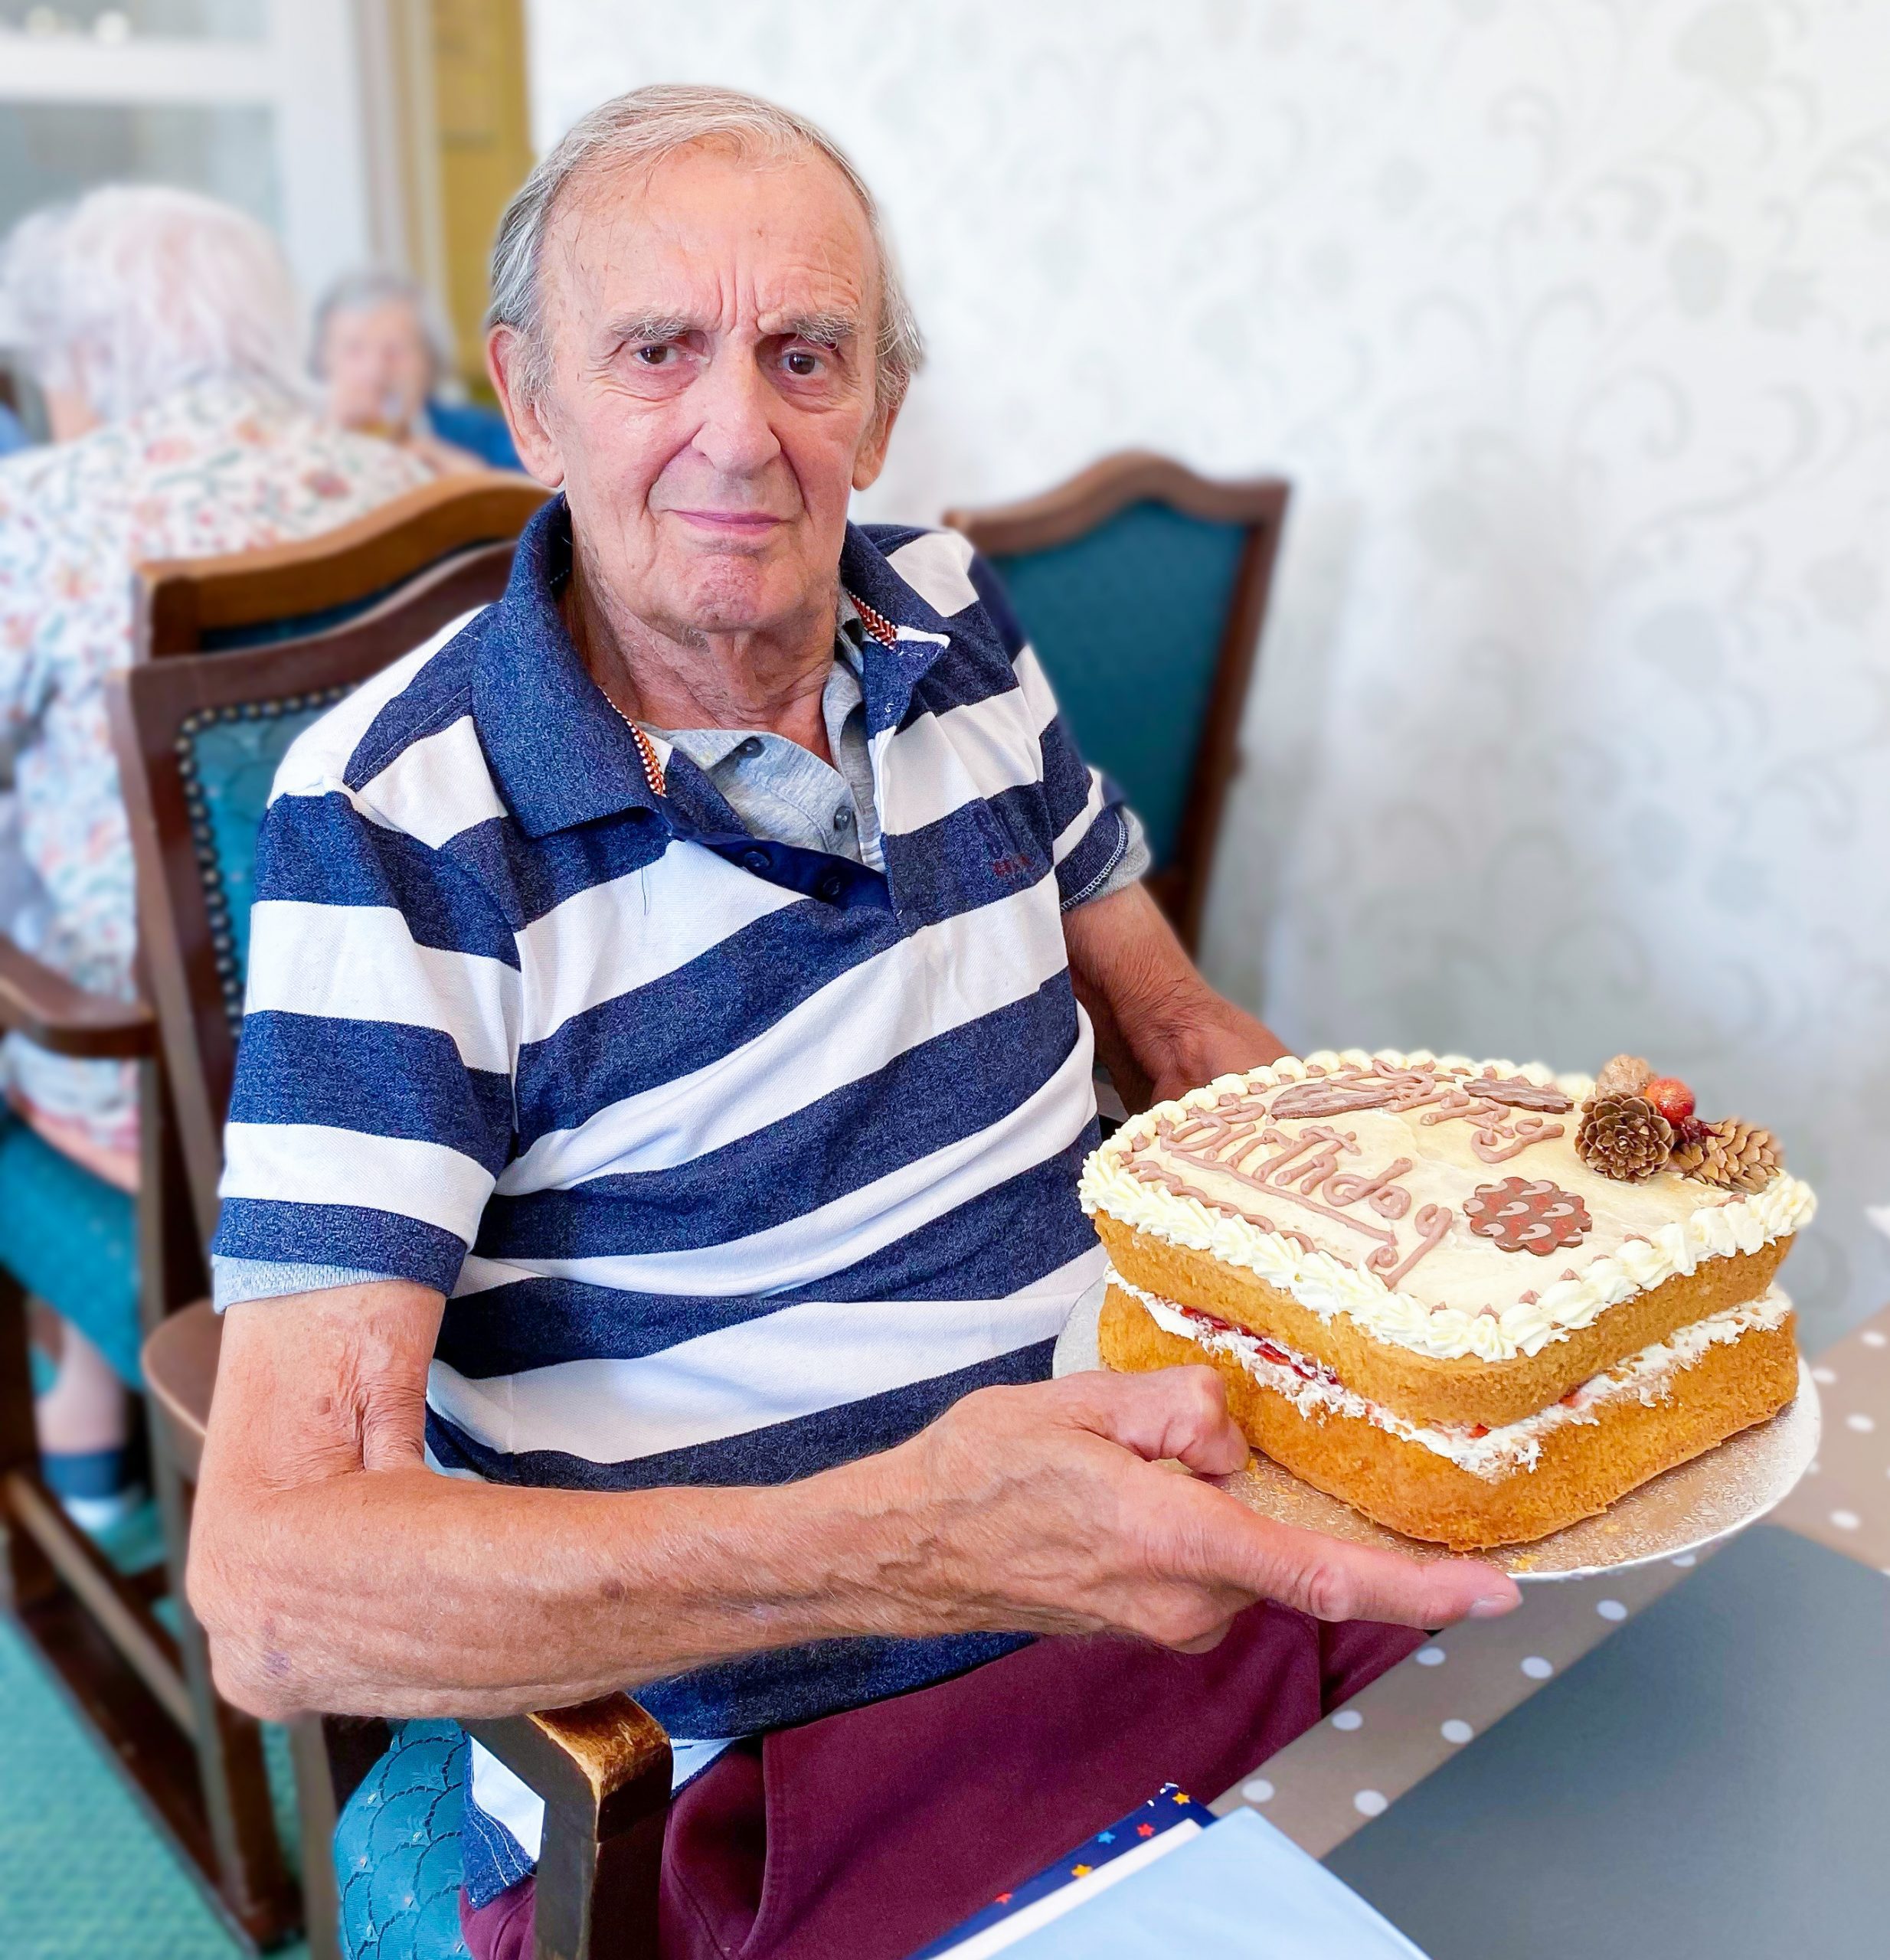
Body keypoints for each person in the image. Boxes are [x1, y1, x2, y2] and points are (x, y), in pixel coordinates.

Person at [189, 87, 1520, 1960]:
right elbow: (273, 1590)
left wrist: (1511, 1218)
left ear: (878, 405)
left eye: (803, 354)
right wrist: (914, 1532)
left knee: (1614, 1794)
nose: (738, 430)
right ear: (529, 396)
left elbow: (1188, 1035)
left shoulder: (955, 620)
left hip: (1192, 1544)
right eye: (656, 352)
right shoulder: (401, 819)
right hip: (788, 1750)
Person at [0, 188, 433, 1524]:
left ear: (79, 357)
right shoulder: (419, 491)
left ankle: (89, 1455)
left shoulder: (33, 518)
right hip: (423, 1070)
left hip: (175, 1112)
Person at [312, 267, 521, 474]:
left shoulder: (483, 434)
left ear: (429, 361)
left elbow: (541, 498)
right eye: (354, 349)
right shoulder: (303, 445)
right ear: (324, 360)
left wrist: (479, 489)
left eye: (395, 350)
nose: (375, 371)